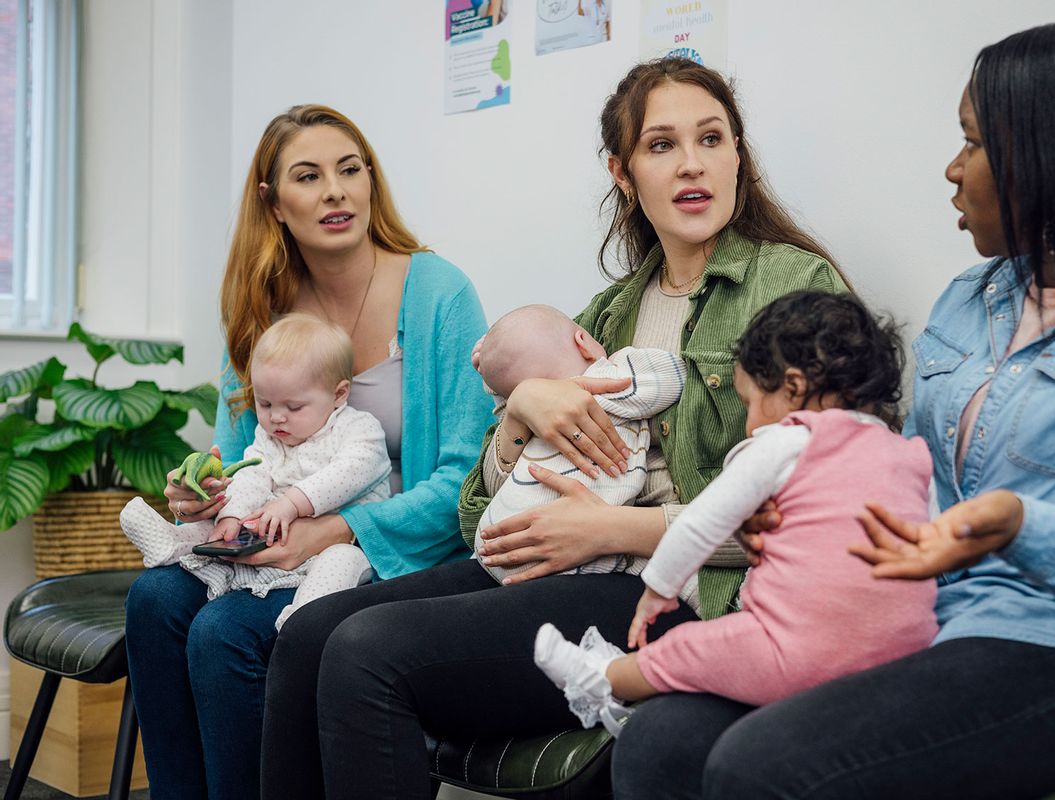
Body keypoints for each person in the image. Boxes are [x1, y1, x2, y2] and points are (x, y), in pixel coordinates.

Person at [612, 15, 1055, 799]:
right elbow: (906, 481)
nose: (953, 171)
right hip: (943, 623)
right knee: (662, 740)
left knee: (765, 766)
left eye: (975, 143)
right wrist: (801, 512)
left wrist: (1025, 527)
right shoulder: (970, 299)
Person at [260, 57, 850, 800]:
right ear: (623, 172)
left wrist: (612, 531)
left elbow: (820, 513)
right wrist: (519, 415)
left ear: (739, 154)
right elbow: (478, 511)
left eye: (713, 138)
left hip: (684, 592)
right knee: (307, 638)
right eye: (662, 145)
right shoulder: (606, 314)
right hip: (556, 564)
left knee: (366, 653)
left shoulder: (791, 285)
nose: (693, 163)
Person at [123, 104, 491, 800]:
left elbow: (465, 479)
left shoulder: (438, 292)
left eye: (351, 170)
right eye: (309, 175)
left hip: (392, 550)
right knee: (154, 599)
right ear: (273, 201)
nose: (336, 191)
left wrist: (332, 526)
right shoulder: (261, 309)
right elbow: (241, 460)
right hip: (280, 539)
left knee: (225, 630)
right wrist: (205, 496)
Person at [534, 290, 936, 730]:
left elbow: (704, 522)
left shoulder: (785, 442)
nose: (748, 424)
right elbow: (933, 546)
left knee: (687, 649)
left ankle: (602, 680)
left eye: (750, 403)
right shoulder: (911, 456)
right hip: (903, 654)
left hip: (793, 651)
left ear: (793, 388)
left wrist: (659, 590)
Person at [120, 313, 389, 630]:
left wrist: (292, 502)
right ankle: (173, 543)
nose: (276, 418)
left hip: (333, 544)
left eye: (293, 407)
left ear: (339, 395)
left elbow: (350, 472)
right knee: (223, 531)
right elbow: (252, 476)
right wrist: (232, 515)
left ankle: (301, 622)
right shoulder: (270, 438)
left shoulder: (359, 430)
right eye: (265, 403)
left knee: (341, 562)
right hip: (269, 540)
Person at [474, 303, 685, 584]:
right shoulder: (612, 380)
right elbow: (676, 378)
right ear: (584, 341)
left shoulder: (532, 403)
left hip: (494, 543)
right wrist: (519, 404)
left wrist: (503, 389)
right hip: (568, 560)